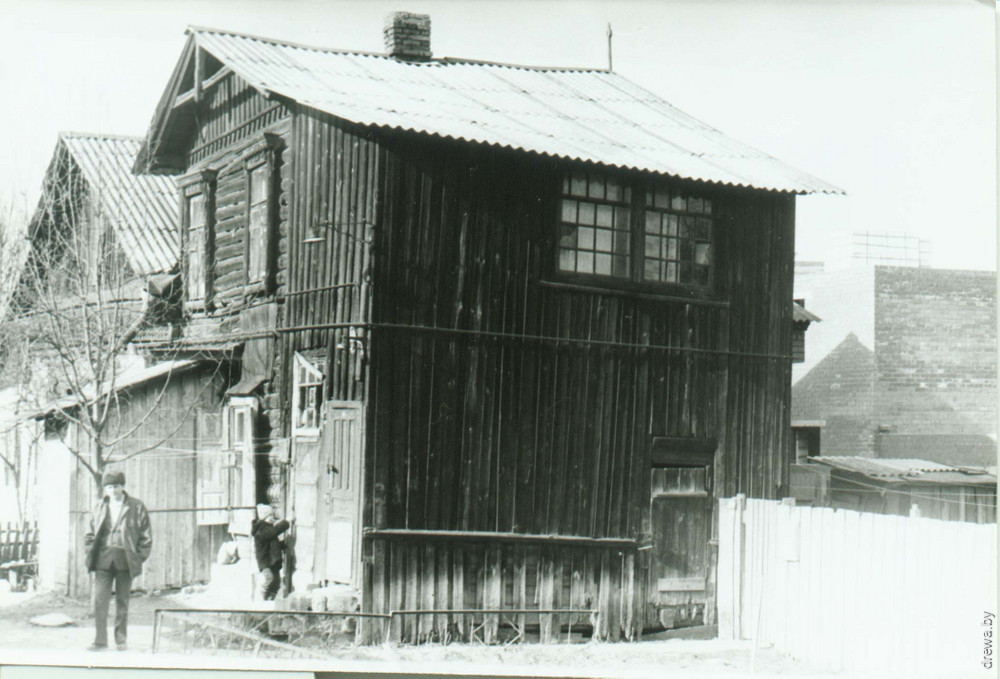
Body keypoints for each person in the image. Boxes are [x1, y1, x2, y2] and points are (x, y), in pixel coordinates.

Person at [83, 469, 152, 651]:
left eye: (117, 486)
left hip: (125, 562)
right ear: (105, 488)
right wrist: (91, 553)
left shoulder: (136, 507)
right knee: (100, 602)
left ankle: (121, 641)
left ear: (123, 487)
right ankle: (100, 641)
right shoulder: (98, 507)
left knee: (123, 602)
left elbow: (146, 537)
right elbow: (89, 534)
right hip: (103, 562)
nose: (113, 491)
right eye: (110, 487)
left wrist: (137, 558)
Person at [251, 503, 291, 601]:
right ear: (264, 518)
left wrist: (282, 545)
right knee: (269, 578)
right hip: (265, 561)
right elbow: (274, 531)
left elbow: (272, 542)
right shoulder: (261, 530)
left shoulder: (268, 529)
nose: (272, 518)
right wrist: (287, 522)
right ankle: (262, 595)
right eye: (270, 516)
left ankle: (271, 599)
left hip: (272, 560)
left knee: (276, 582)